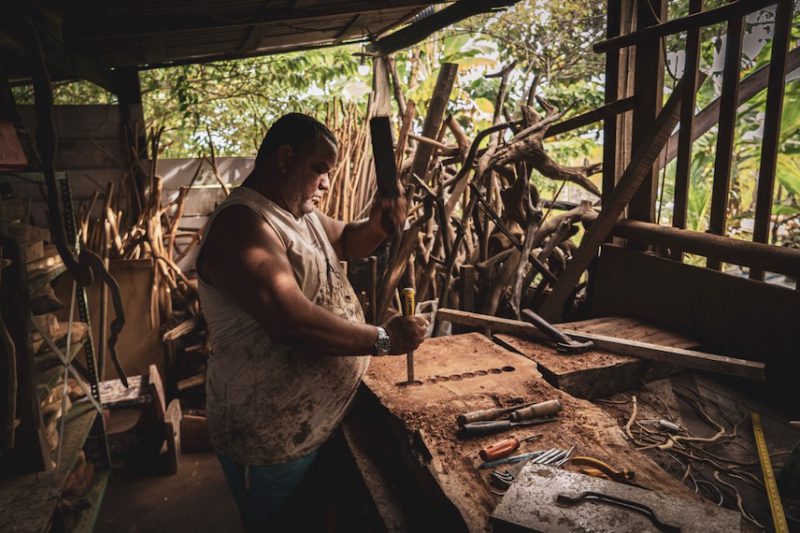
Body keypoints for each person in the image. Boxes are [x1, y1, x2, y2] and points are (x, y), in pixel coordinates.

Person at [195, 112, 427, 530]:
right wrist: (382, 339)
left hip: (320, 420)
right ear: (284, 158)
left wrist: (376, 226)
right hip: (272, 437)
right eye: (319, 169)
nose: (326, 182)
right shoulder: (243, 224)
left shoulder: (300, 214)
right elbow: (291, 322)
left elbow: (346, 241)